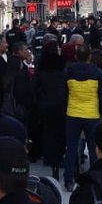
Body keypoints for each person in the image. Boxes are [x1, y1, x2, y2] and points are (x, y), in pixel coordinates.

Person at [64, 44, 102, 191]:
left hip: (73, 113)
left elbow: (65, 93)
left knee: (71, 147)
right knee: (93, 147)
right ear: (89, 56)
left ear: (76, 56)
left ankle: (69, 179)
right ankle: (95, 178)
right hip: (91, 113)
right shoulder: (98, 72)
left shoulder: (69, 71)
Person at [33, 38, 69, 180]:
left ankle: (49, 156)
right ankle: (59, 155)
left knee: (48, 130)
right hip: (60, 102)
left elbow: (36, 86)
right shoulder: (62, 64)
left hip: (45, 103)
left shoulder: (41, 65)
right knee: (60, 131)